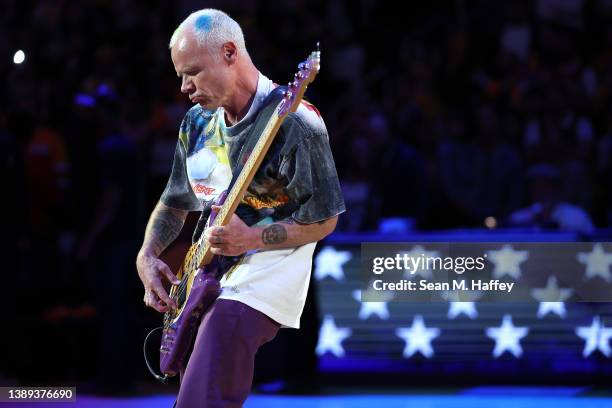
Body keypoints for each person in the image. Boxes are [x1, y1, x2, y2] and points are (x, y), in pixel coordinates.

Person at [135, 9, 345, 408]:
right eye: (180, 75)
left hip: (264, 274)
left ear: (230, 52)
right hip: (203, 275)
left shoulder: (297, 120)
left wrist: (251, 237)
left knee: (208, 385)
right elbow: (174, 202)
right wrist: (147, 256)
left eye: (193, 72)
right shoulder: (197, 123)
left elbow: (325, 218)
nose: (184, 87)